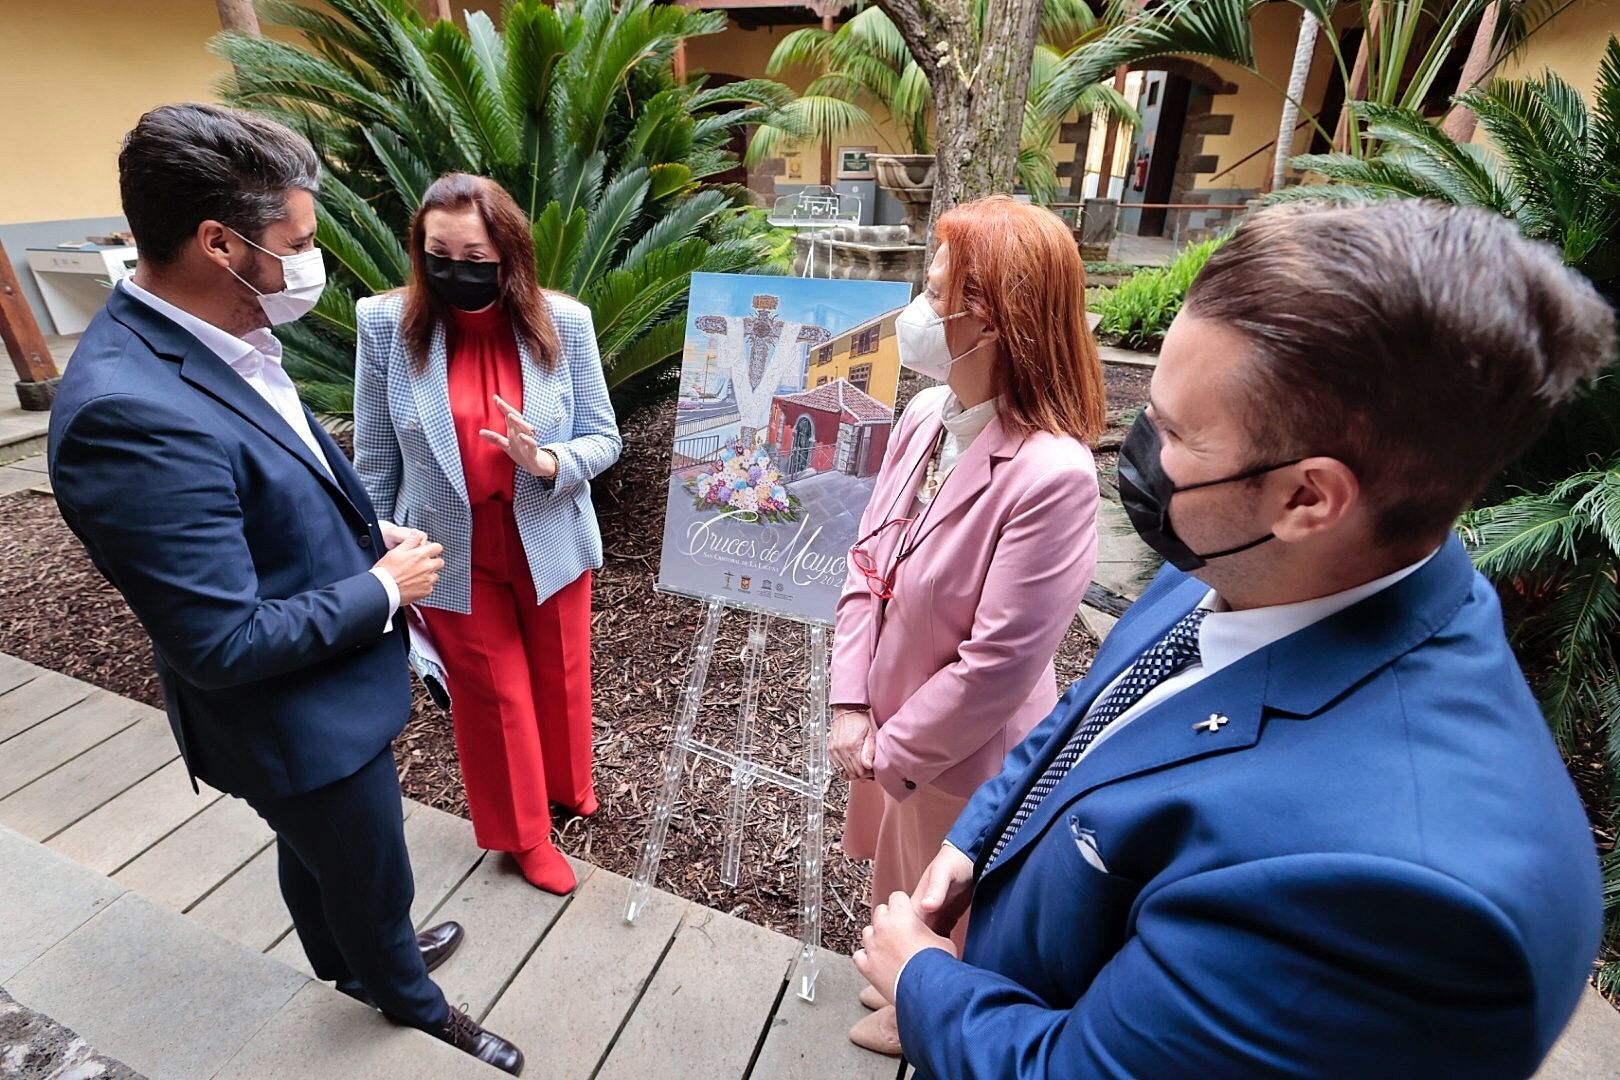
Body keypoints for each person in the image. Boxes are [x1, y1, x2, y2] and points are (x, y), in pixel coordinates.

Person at [853, 199, 1616, 1079]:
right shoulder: (1249, 561)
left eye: (1174, 434)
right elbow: (1090, 714)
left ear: (1307, 498)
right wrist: (971, 840)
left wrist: (926, 988)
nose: (1134, 451)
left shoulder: (1390, 897)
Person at [47, 105, 522, 1073]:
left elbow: (277, 473)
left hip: (320, 695)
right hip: (290, 718)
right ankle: (407, 996)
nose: (313, 260)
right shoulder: (125, 415)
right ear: (217, 243)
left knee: (323, 854)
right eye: (297, 242)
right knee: (365, 855)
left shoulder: (219, 332)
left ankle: (347, 959)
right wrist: (384, 588)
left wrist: (360, 529)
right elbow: (219, 641)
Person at [829, 195, 1105, 1056]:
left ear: (987, 319)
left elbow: (998, 664)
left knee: (956, 891)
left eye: (935, 289)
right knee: (905, 870)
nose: (918, 308)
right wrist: (849, 700)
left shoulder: (1053, 475)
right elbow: (866, 558)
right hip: (893, 726)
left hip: (961, 745)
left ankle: (934, 1017)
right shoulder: (924, 414)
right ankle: (911, 987)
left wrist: (890, 744)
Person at [352, 173, 621, 896]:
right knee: (492, 696)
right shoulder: (387, 325)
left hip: (545, 532)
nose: (453, 269)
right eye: (437, 252)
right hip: (444, 549)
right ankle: (523, 836)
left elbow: (604, 438)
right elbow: (374, 454)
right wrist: (377, 543)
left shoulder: (562, 323)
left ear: (508, 252)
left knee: (562, 672)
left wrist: (546, 460)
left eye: (473, 253)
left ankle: (569, 786)